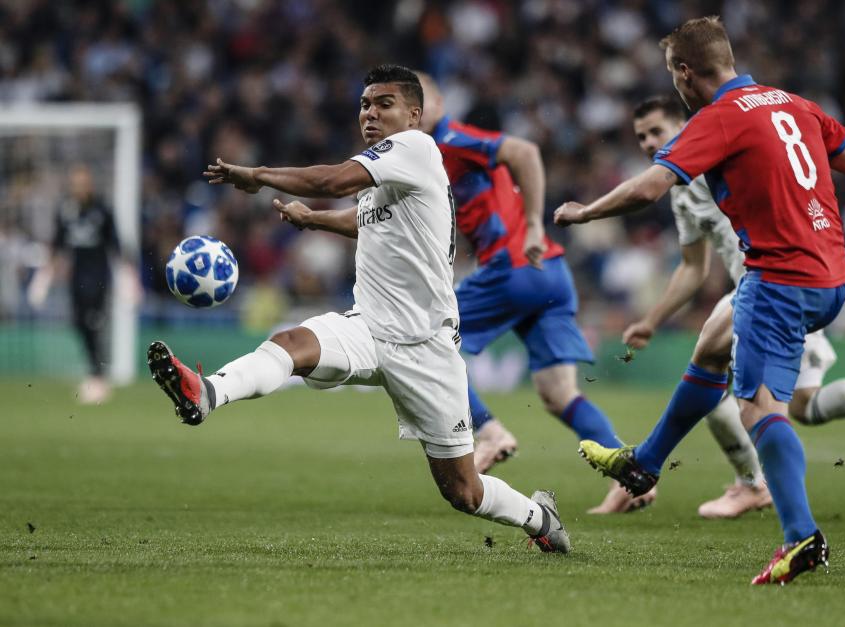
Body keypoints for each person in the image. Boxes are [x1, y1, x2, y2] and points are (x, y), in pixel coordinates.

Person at [150, 64, 570, 552]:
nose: (370, 112)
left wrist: (259, 176)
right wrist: (314, 221)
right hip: (368, 326)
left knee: (463, 490)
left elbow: (332, 180)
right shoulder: (390, 171)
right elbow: (366, 217)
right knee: (291, 344)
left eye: (383, 104)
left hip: (427, 347)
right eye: (365, 104)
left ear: (415, 115)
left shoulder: (416, 147)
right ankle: (206, 393)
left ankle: (540, 517)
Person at [555, 17, 845, 584]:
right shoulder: (794, 103)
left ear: (685, 73)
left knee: (761, 410)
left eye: (674, 77)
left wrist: (585, 212)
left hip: (781, 282)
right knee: (711, 345)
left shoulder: (720, 118)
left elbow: (648, 188)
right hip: (829, 277)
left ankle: (801, 537)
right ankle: (644, 465)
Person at [626, 96, 845, 519]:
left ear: (684, 124)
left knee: (718, 385)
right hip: (772, 290)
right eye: (641, 136)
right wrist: (651, 320)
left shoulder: (720, 151)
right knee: (802, 406)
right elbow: (693, 268)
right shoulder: (682, 191)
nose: (648, 142)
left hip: (777, 288)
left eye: (656, 132)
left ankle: (750, 486)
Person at [414, 72, 645, 514]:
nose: (415, 111)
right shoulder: (429, 154)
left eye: (420, 100)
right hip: (550, 273)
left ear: (439, 103)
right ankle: (633, 476)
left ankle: (490, 432)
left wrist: (536, 223)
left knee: (427, 340)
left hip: (514, 267)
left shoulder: (451, 138)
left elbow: (524, 151)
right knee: (560, 395)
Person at [28, 164, 135, 404]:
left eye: (82, 183)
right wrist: (43, 279)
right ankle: (96, 373)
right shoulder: (66, 210)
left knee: (94, 323)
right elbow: (57, 245)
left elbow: (116, 244)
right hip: (77, 277)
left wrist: (128, 278)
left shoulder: (102, 209)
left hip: (99, 277)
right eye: (75, 184)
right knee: (79, 323)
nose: (79, 188)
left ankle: (98, 377)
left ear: (90, 185)